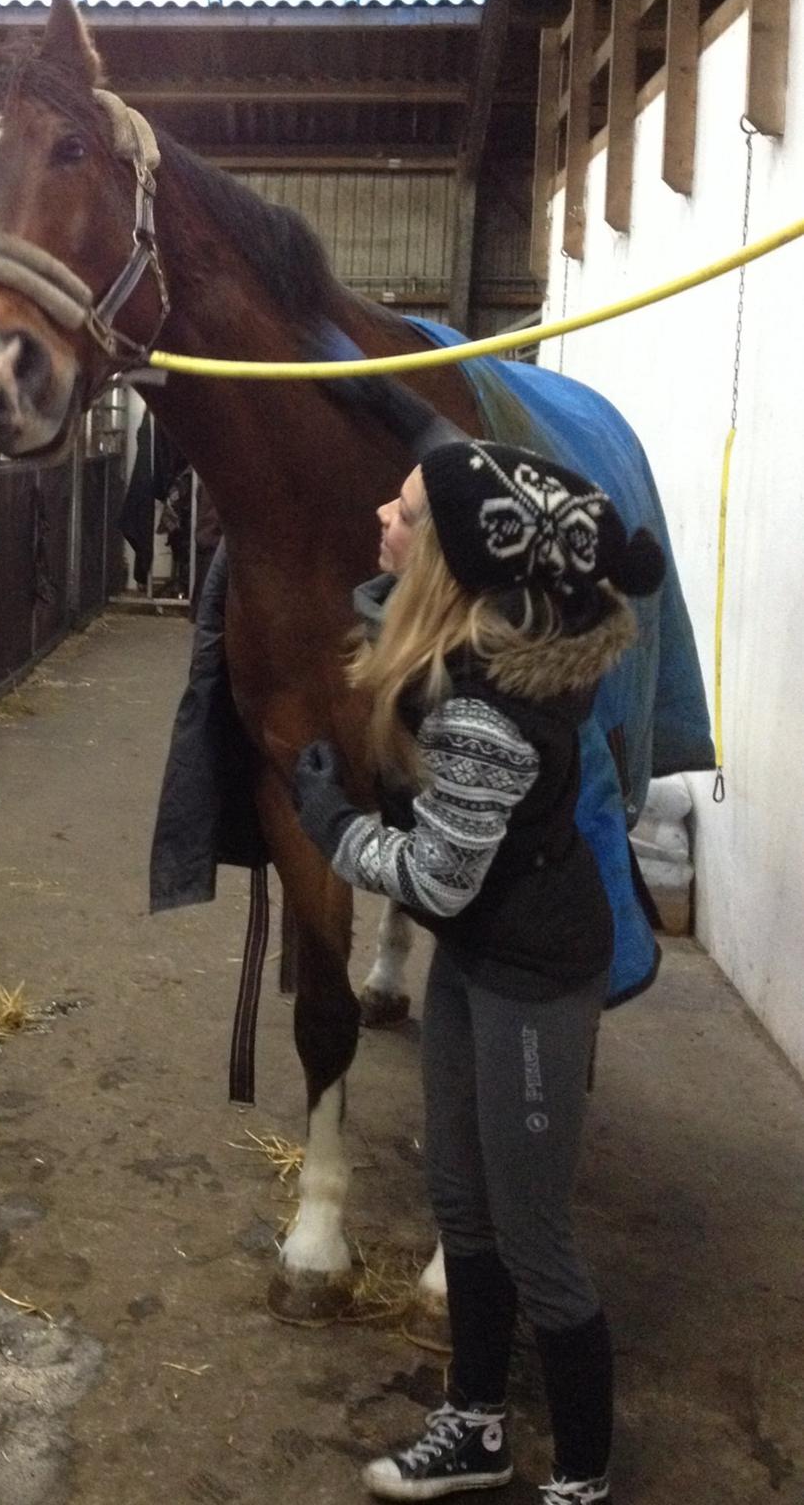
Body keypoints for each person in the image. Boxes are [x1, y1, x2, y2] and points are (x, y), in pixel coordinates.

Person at [290, 440, 666, 1505]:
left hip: (533, 974)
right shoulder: (470, 652)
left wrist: (329, 823)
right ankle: (478, 1427)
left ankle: (582, 1480)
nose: (383, 514)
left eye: (405, 512)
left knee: (536, 1238)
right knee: (463, 1203)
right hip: (477, 959)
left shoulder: (486, 710)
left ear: (449, 561)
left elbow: (434, 882)